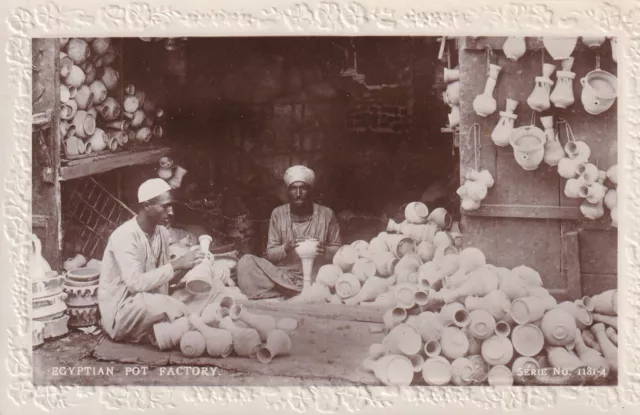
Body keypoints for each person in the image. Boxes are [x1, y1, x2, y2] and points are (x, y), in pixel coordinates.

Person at [98, 178, 206, 344]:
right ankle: (192, 324)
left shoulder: (161, 232)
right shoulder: (125, 236)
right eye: (165, 206)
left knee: (199, 295)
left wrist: (188, 267)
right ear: (147, 205)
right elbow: (136, 284)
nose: (171, 212)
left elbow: (162, 279)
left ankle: (174, 325)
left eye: (171, 206)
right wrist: (177, 264)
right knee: (162, 305)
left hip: (153, 300)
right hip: (124, 311)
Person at [237, 165, 342, 300]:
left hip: (316, 275)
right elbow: (271, 253)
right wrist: (286, 248)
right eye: (293, 188)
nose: (298, 193)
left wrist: (325, 250)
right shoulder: (278, 214)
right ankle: (297, 292)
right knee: (245, 262)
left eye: (303, 188)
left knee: (332, 275)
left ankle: (290, 292)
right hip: (283, 276)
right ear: (288, 192)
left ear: (310, 191)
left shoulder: (326, 214)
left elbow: (338, 250)